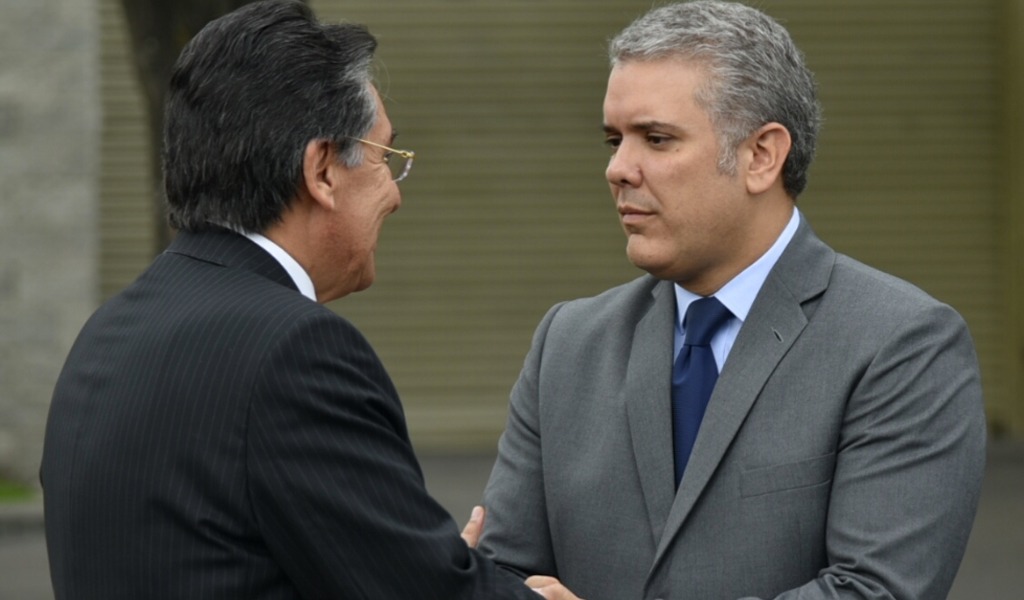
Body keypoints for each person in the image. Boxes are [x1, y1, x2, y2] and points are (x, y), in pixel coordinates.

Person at [39, 1, 575, 598]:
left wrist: (425, 561)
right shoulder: (295, 351)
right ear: (321, 170)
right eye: (385, 159)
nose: (395, 196)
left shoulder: (109, 332)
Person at [478, 2, 987, 599]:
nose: (618, 168)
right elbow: (502, 573)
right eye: (614, 140)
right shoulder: (569, 343)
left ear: (761, 156)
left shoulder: (900, 343)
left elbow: (876, 591)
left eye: (657, 139)